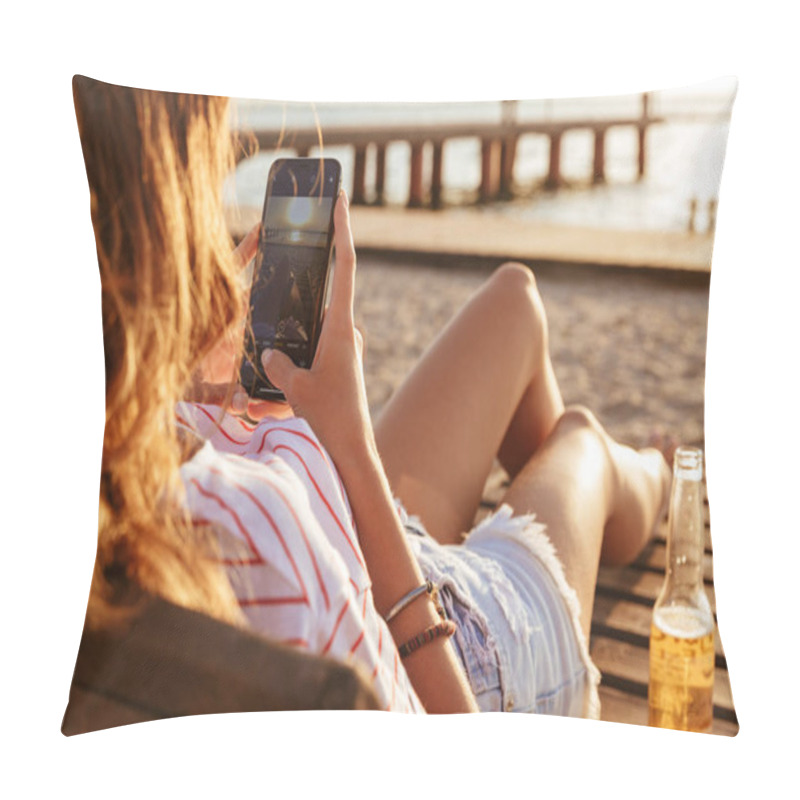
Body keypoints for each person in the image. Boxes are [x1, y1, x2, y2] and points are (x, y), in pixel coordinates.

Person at [73, 75, 670, 717]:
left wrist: (171, 386)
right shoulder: (261, 539)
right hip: (467, 653)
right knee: (581, 438)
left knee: (514, 300)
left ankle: (574, 517)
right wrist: (353, 447)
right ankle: (660, 481)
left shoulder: (118, 448)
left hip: (361, 538)